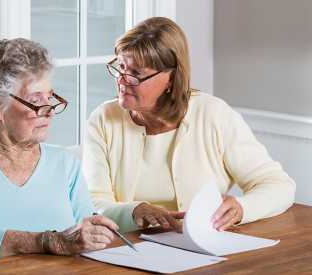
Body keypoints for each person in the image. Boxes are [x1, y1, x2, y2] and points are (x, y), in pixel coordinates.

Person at [83, 17, 296, 234]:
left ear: (171, 78)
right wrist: (134, 211)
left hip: (205, 246)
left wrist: (242, 208)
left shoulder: (213, 114)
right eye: (120, 67)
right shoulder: (103, 119)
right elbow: (91, 202)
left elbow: (279, 186)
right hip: (130, 247)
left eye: (136, 73)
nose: (122, 80)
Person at [0, 38, 118, 270]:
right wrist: (53, 241)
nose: (48, 111)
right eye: (35, 100)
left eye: (50, 97)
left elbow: (84, 234)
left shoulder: (65, 163)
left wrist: (95, 233)